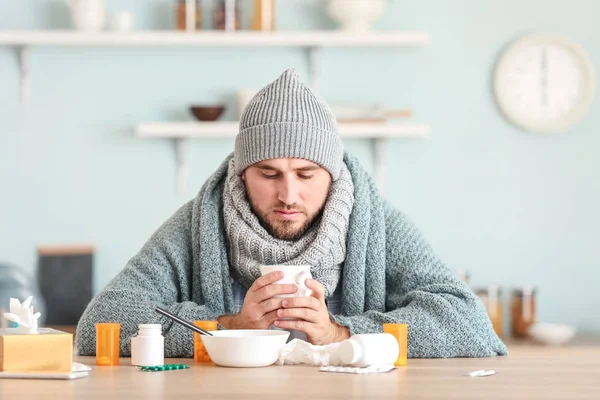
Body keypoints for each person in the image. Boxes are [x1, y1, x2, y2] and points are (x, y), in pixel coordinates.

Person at [76, 68, 507, 358]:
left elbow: (469, 323)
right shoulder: (196, 223)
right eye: (269, 173)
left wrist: (340, 333)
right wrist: (226, 327)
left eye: (306, 173)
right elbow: (98, 324)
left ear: (333, 174)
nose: (288, 194)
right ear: (242, 173)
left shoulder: (376, 221)